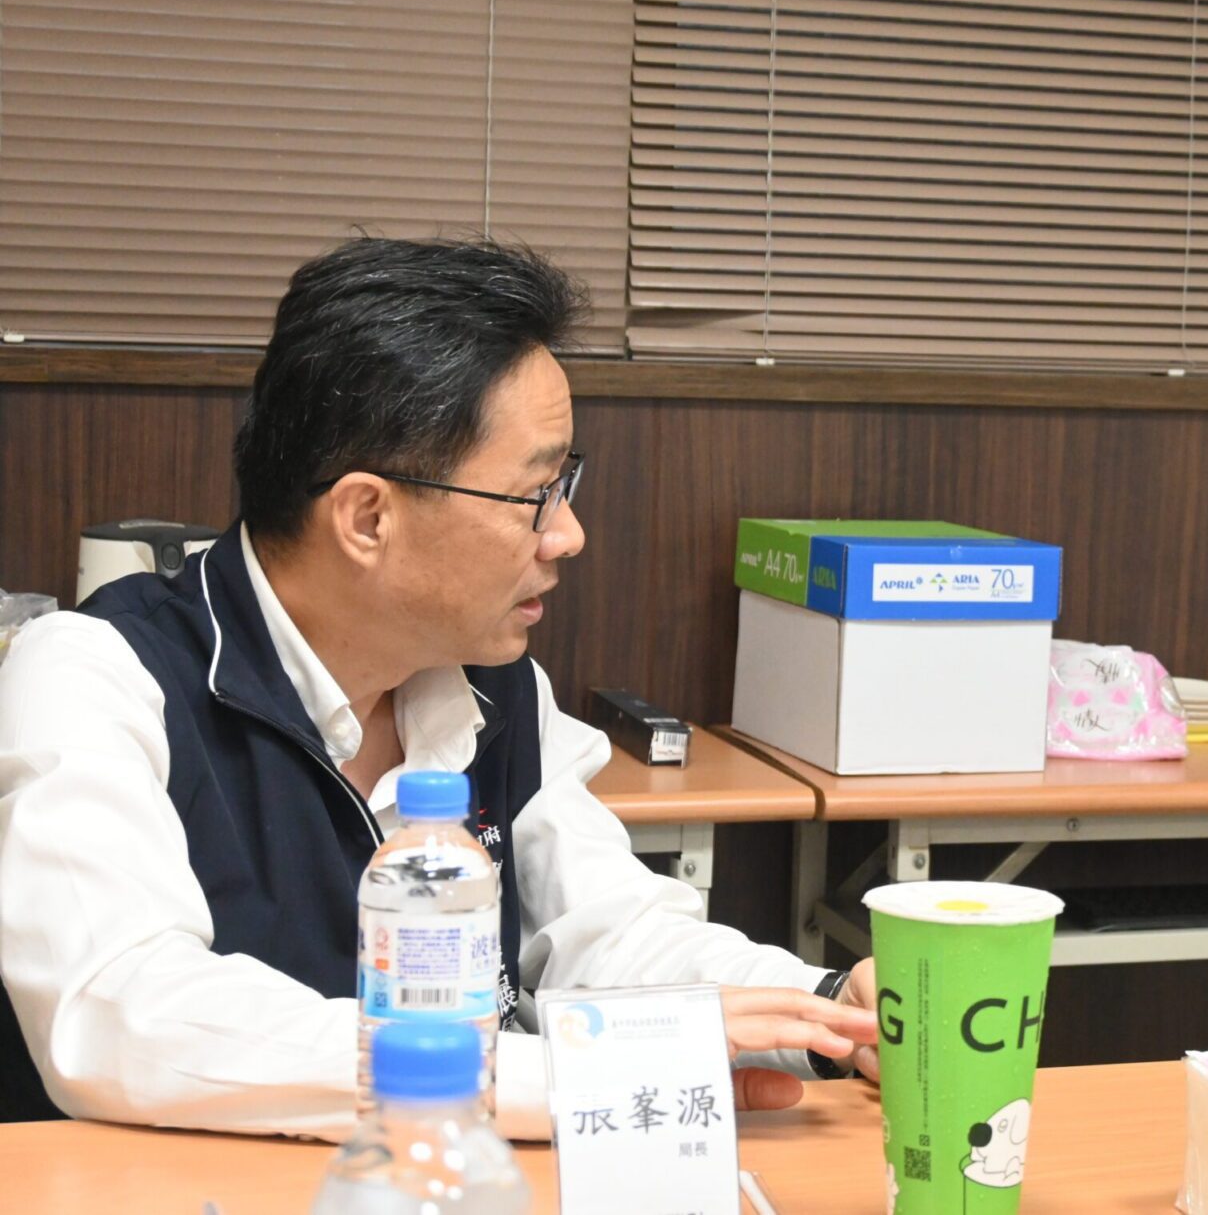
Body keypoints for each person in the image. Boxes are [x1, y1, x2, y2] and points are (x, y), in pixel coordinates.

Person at [0, 237, 878, 1137]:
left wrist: (825, 1009)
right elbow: (120, 1014)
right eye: (535, 494)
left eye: (566, 484)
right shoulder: (96, 672)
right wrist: (570, 1075)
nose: (568, 535)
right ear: (367, 517)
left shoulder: (494, 680)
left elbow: (604, 930)